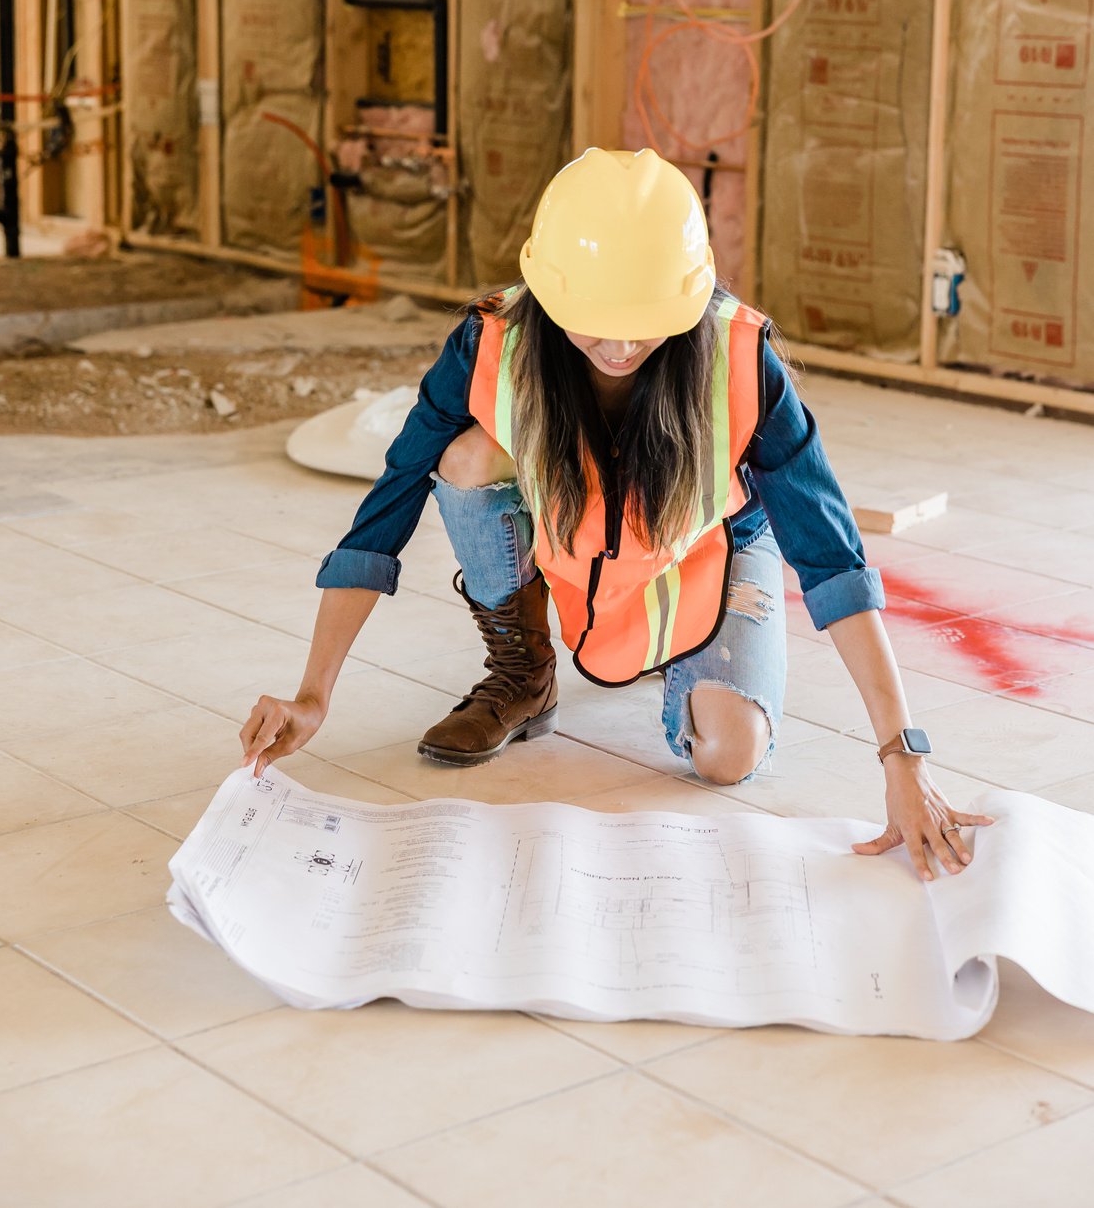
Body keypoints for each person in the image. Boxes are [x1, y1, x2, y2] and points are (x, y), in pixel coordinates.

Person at [240, 148, 993, 882]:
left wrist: (902, 754)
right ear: (549, 292)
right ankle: (523, 673)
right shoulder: (491, 342)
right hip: (574, 538)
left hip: (707, 548)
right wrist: (314, 695)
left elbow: (830, 556)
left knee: (728, 755)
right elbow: (388, 507)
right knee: (464, 458)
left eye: (648, 318)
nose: (624, 344)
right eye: (598, 320)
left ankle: (679, 656)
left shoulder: (738, 355)